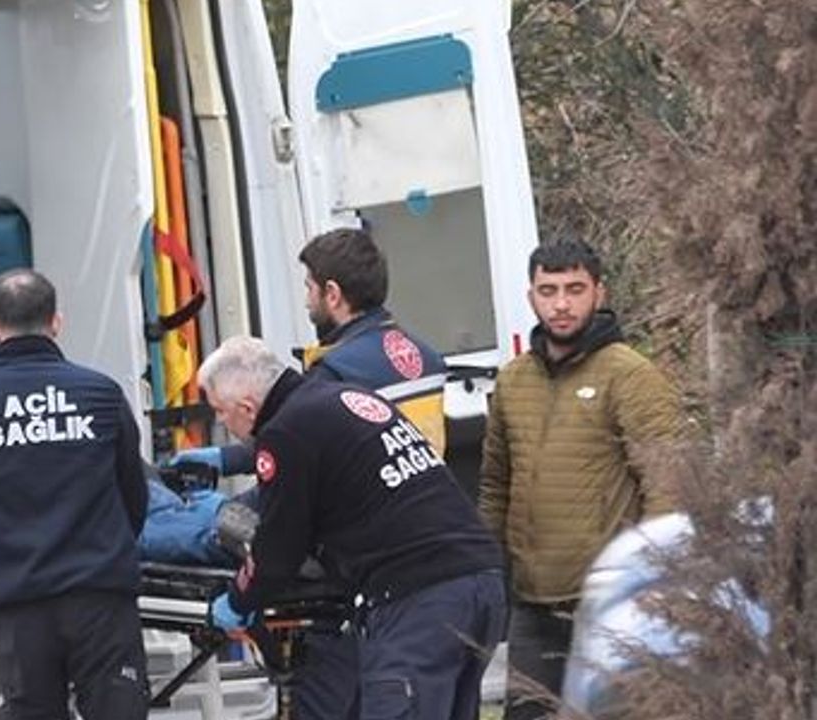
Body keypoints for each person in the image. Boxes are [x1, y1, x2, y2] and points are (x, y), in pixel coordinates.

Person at [173, 226, 451, 719]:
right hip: (416, 533)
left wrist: (240, 594)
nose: (306, 300)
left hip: (351, 553)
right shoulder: (419, 355)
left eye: (308, 287)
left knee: (212, 521)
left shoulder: (336, 371)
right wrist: (228, 460)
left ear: (333, 294)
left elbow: (297, 453)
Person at [199, 336, 506, 720]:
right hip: (480, 580)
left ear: (246, 407)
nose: (220, 422)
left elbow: (278, 550)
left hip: (419, 598)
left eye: (220, 412)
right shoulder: (341, 397)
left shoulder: (285, 432)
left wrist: (238, 601)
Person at [0, 268, 150, 720]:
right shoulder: (100, 394)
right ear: (56, 322)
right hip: (101, 598)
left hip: (19, 606)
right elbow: (134, 495)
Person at [478, 239, 683, 720]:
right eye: (548, 290)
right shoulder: (513, 381)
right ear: (531, 296)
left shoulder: (630, 375)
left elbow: (668, 483)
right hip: (532, 603)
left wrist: (649, 580)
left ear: (599, 293)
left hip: (609, 602)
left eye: (575, 289)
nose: (561, 304)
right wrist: (485, 570)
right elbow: (495, 487)